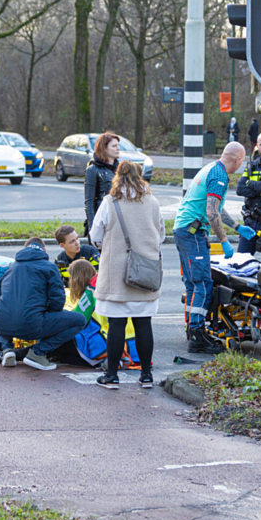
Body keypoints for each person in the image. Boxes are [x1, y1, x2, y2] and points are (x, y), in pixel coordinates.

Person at [172, 142, 255, 354]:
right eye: (242, 161)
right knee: (202, 283)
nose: (241, 165)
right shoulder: (219, 177)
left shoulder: (210, 168)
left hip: (184, 230)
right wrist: (225, 241)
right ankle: (198, 336)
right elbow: (211, 213)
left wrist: (237, 226)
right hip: (193, 232)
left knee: (193, 284)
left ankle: (193, 330)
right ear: (237, 160)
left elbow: (216, 207)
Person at [90, 161, 164, 389]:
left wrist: (109, 246)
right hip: (145, 274)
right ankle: (146, 375)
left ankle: (112, 376)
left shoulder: (110, 202)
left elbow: (95, 235)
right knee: (144, 324)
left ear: (117, 176)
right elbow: (160, 233)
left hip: (116, 275)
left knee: (116, 325)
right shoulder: (152, 201)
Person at [0, 237, 88, 370]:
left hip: (1, 325)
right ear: (44, 249)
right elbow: (58, 298)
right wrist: (50, 315)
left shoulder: (11, 267)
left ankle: (7, 349)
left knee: (3, 315)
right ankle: (38, 353)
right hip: (31, 324)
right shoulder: (49, 267)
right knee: (79, 320)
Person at [84, 132, 120, 241]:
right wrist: (92, 229)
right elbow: (89, 202)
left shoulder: (120, 169)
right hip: (102, 221)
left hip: (119, 221)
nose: (118, 149)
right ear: (104, 149)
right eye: (114, 146)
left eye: (118, 145)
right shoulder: (93, 170)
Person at [236, 131, 261, 255]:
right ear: (257, 146)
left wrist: (251, 185)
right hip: (251, 221)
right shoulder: (252, 166)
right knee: (241, 260)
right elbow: (240, 189)